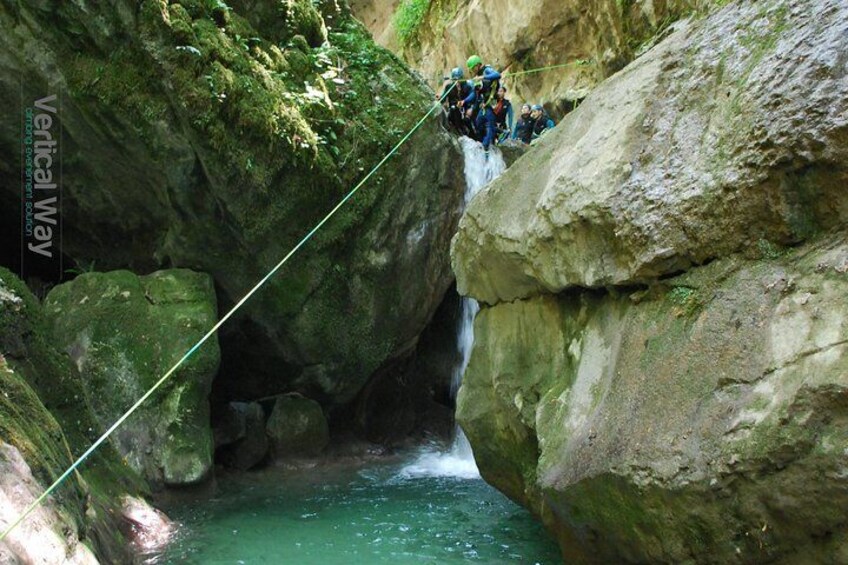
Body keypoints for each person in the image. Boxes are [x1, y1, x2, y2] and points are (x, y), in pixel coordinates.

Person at [458, 55, 502, 151]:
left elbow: (498, 75)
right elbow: (474, 93)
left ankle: (487, 145)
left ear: (477, 65)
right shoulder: (478, 77)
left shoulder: (487, 70)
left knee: (489, 124)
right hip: (484, 105)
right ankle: (499, 132)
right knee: (478, 123)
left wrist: (483, 77)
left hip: (492, 104)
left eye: (473, 68)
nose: (472, 71)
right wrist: (464, 101)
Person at [437, 67, 475, 136]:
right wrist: (439, 98)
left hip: (466, 109)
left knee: (468, 120)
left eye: (459, 79)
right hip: (454, 111)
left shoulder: (467, 86)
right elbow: (444, 98)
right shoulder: (449, 87)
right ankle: (459, 130)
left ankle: (473, 134)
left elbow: (473, 96)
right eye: (455, 79)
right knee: (453, 109)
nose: (457, 82)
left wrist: (467, 104)